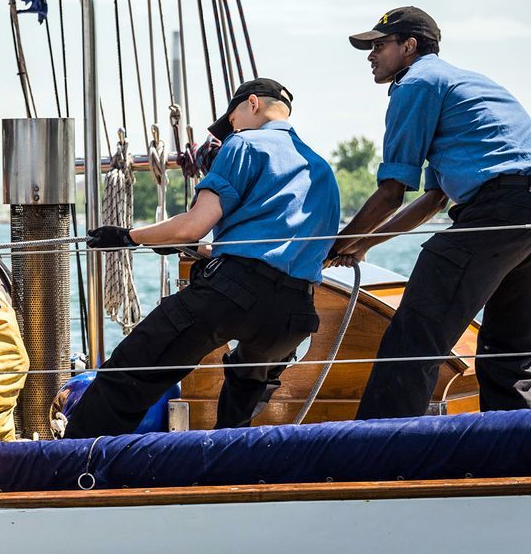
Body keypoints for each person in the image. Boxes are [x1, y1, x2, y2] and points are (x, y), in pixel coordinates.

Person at [63, 78, 340, 438]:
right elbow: (291, 247)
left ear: (252, 104)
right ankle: (225, 468)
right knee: (244, 384)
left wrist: (127, 237)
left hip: (233, 295)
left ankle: (72, 468)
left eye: (232, 121)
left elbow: (192, 226)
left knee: (131, 370)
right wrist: (206, 249)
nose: (231, 131)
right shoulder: (322, 169)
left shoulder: (244, 144)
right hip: (295, 311)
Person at [328, 6, 531, 419]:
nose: (370, 55)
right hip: (519, 212)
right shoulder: (464, 82)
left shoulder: (417, 83)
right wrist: (364, 245)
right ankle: (511, 455)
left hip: (498, 208)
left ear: (410, 46)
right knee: (510, 353)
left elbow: (392, 192)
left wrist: (335, 244)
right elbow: (434, 200)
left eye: (379, 46)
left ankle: (381, 455)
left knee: (413, 337)